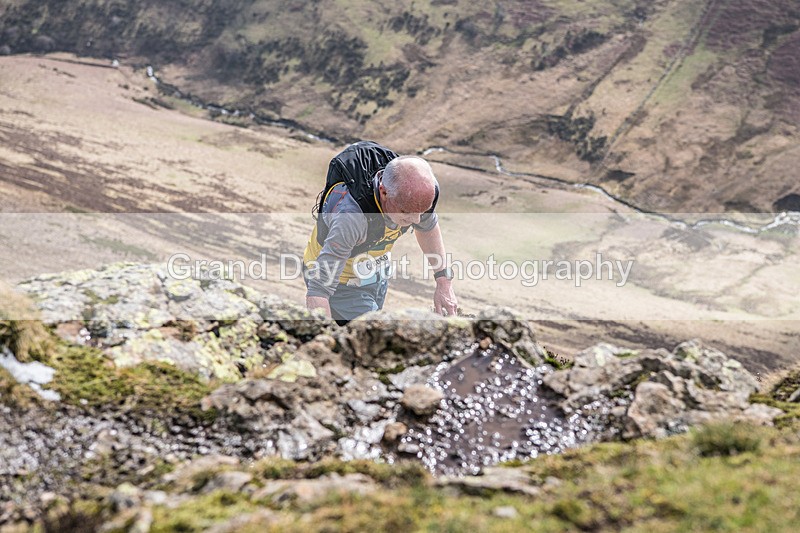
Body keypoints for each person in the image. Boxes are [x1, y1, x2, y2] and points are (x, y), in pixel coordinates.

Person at [303, 141, 458, 324]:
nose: (416, 220)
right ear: (383, 192)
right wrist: (325, 338)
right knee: (371, 335)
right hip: (340, 285)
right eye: (406, 213)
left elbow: (428, 227)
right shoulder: (352, 218)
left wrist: (443, 282)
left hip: (374, 275)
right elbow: (319, 289)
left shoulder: (418, 194)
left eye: (421, 212)